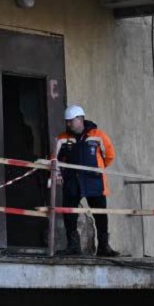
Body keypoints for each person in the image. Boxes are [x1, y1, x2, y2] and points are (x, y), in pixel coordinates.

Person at [54, 104, 119, 257]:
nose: (68, 124)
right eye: (67, 121)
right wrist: (59, 174)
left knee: (100, 214)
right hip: (72, 181)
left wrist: (98, 169)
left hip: (94, 182)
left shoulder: (98, 135)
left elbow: (110, 156)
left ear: (80, 119)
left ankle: (104, 247)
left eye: (71, 120)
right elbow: (54, 159)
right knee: (69, 214)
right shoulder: (62, 138)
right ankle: (73, 247)